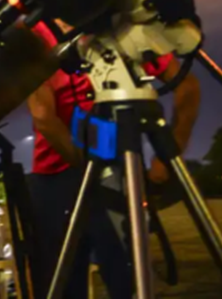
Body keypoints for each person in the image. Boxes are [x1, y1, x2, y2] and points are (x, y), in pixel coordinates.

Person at [26, 22, 202, 299]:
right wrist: (91, 170)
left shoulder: (120, 26)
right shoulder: (37, 35)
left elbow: (187, 85)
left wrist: (169, 153)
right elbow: (44, 117)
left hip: (113, 170)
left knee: (124, 279)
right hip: (61, 176)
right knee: (69, 284)